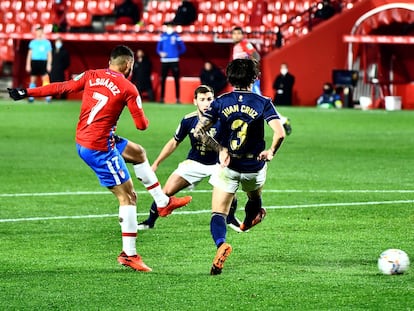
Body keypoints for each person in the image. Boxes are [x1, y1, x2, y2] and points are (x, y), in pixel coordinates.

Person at [8, 45, 192, 272]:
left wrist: (27, 92)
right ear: (128, 65)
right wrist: (139, 110)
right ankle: (129, 254)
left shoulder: (91, 74)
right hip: (99, 148)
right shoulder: (128, 88)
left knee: (138, 153)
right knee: (129, 197)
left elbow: (62, 87)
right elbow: (142, 126)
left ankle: (162, 202)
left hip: (88, 139)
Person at [193, 58, 286, 275]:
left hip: (228, 164)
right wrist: (270, 151)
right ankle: (247, 221)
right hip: (254, 165)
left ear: (230, 77)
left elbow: (199, 131)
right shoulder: (263, 101)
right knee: (254, 198)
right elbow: (280, 133)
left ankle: (221, 245)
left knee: (218, 212)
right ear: (255, 77)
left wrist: (221, 149)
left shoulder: (221, 102)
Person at [137, 85, 241, 232]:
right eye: (202, 99)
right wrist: (156, 163)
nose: (206, 103)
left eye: (209, 99)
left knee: (229, 190)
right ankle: (149, 222)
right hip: (194, 163)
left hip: (218, 164)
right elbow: (174, 142)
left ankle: (231, 218)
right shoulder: (188, 120)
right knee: (165, 192)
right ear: (195, 101)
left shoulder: (223, 120)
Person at [232, 27, 292, 135]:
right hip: (241, 80)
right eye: (234, 33)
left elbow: (256, 56)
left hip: (249, 81)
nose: (236, 36)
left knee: (260, 103)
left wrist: (250, 71)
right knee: (240, 102)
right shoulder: (236, 47)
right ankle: (243, 127)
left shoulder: (245, 44)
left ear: (242, 35)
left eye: (238, 33)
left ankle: (282, 120)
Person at [156, 22, 186, 103]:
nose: (169, 28)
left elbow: (183, 48)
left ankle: (178, 98)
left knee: (176, 80)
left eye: (170, 26)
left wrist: (176, 54)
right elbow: (158, 49)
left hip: (174, 61)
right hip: (164, 61)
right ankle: (162, 98)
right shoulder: (163, 36)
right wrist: (160, 53)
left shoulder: (176, 36)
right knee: (163, 79)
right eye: (168, 26)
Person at [25, 26, 53, 103]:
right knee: (33, 80)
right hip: (34, 62)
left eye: (41, 31)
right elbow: (29, 54)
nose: (39, 33)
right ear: (36, 32)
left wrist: (49, 64)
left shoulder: (47, 42)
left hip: (43, 62)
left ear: (42, 32)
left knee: (45, 79)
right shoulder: (32, 42)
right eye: (38, 31)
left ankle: (48, 97)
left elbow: (49, 54)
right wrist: (28, 64)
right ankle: (31, 97)